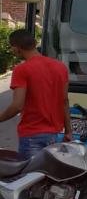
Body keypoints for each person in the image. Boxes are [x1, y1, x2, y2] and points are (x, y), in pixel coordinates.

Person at [0, 30, 71, 159]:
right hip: (53, 137)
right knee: (48, 176)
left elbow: (17, 106)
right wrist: (69, 131)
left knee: (30, 177)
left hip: (31, 137)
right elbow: (64, 101)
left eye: (11, 47)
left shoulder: (22, 69)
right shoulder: (60, 67)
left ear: (16, 48)